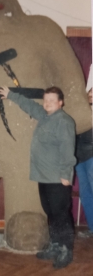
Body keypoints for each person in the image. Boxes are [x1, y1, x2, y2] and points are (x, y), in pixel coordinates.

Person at [0, 86, 76, 269]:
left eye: (52, 100)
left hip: (58, 178)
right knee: (52, 213)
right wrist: (11, 95)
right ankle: (56, 245)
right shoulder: (46, 116)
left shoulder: (63, 121)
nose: (47, 103)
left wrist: (66, 175)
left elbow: (67, 150)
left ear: (60, 102)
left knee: (61, 215)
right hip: (44, 176)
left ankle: (66, 251)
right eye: (46, 100)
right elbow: (30, 107)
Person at [75, 85, 93, 238]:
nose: (91, 95)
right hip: (79, 157)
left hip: (92, 155)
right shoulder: (79, 112)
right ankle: (92, 228)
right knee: (85, 193)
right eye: (90, 93)